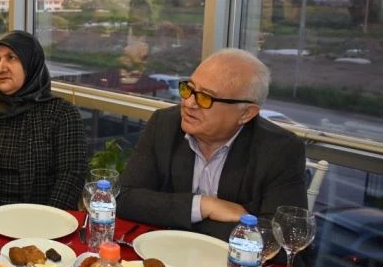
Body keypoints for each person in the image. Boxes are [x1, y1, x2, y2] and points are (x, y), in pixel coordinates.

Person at [116, 48, 307, 241]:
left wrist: (179, 219)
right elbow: (124, 198)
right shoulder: (164, 125)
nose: (189, 103)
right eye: (188, 89)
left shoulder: (280, 150)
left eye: (205, 97)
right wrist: (203, 206)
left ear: (246, 113)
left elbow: (284, 238)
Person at [0, 30, 87, 209]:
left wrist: (48, 224)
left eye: (11, 58)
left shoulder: (61, 114)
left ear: (31, 64)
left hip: (39, 220)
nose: (0, 67)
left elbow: (71, 177)